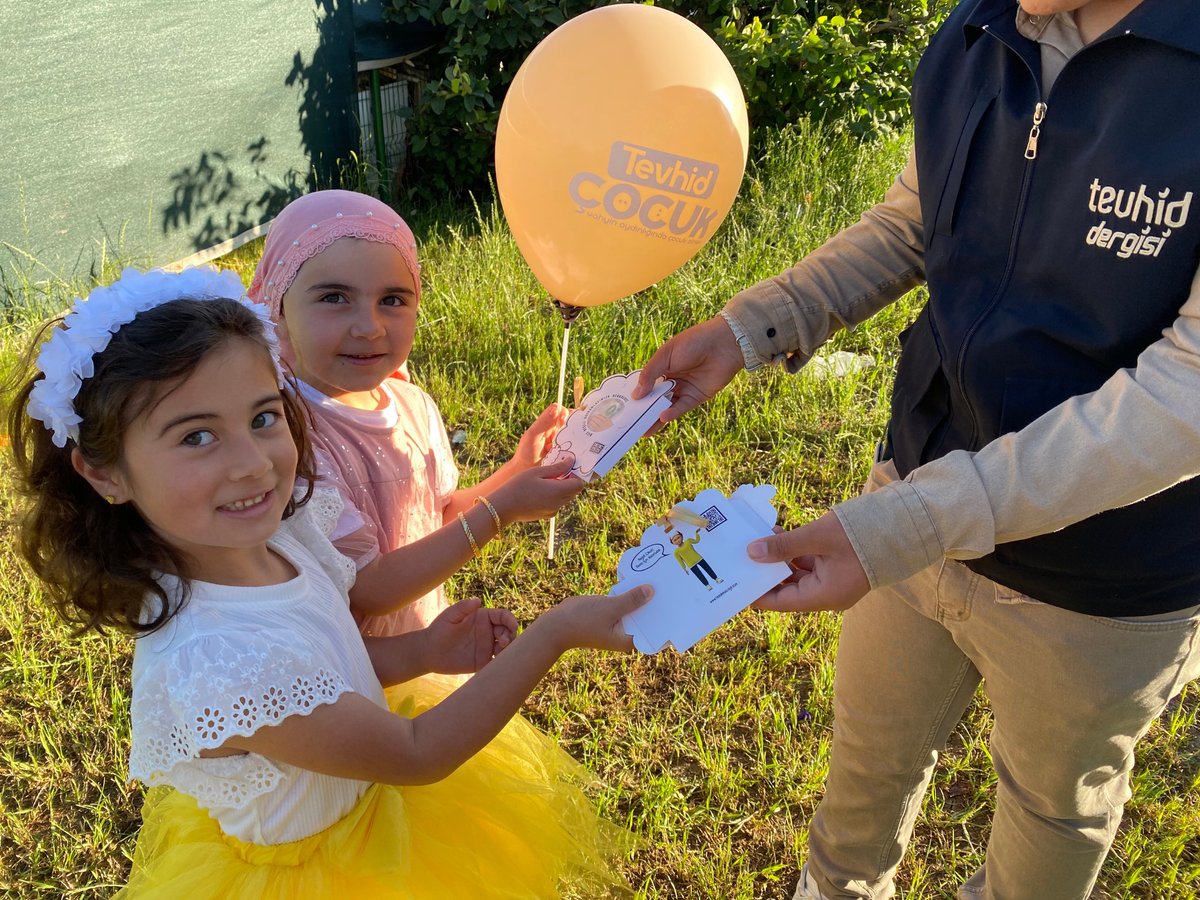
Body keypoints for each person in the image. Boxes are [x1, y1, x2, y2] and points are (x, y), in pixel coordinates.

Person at [635, 1, 1200, 898]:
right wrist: (754, 326)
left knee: (1051, 817)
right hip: (917, 483)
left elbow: (1186, 394)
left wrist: (909, 523)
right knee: (866, 760)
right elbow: (912, 219)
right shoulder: (979, 28)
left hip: (1108, 575)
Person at [8, 266, 651, 897]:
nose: (253, 464)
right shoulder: (215, 658)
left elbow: (323, 665)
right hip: (310, 871)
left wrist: (420, 653)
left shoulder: (282, 532)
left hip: (372, 804)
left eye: (263, 418)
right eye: (197, 436)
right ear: (105, 473)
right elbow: (416, 753)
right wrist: (556, 632)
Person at [249, 189, 579, 637]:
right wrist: (502, 509)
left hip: (422, 638)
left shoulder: (414, 407)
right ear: (278, 304)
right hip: (355, 670)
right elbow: (372, 588)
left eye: (392, 300)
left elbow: (439, 517)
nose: (369, 327)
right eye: (334, 297)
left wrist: (517, 471)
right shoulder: (288, 436)